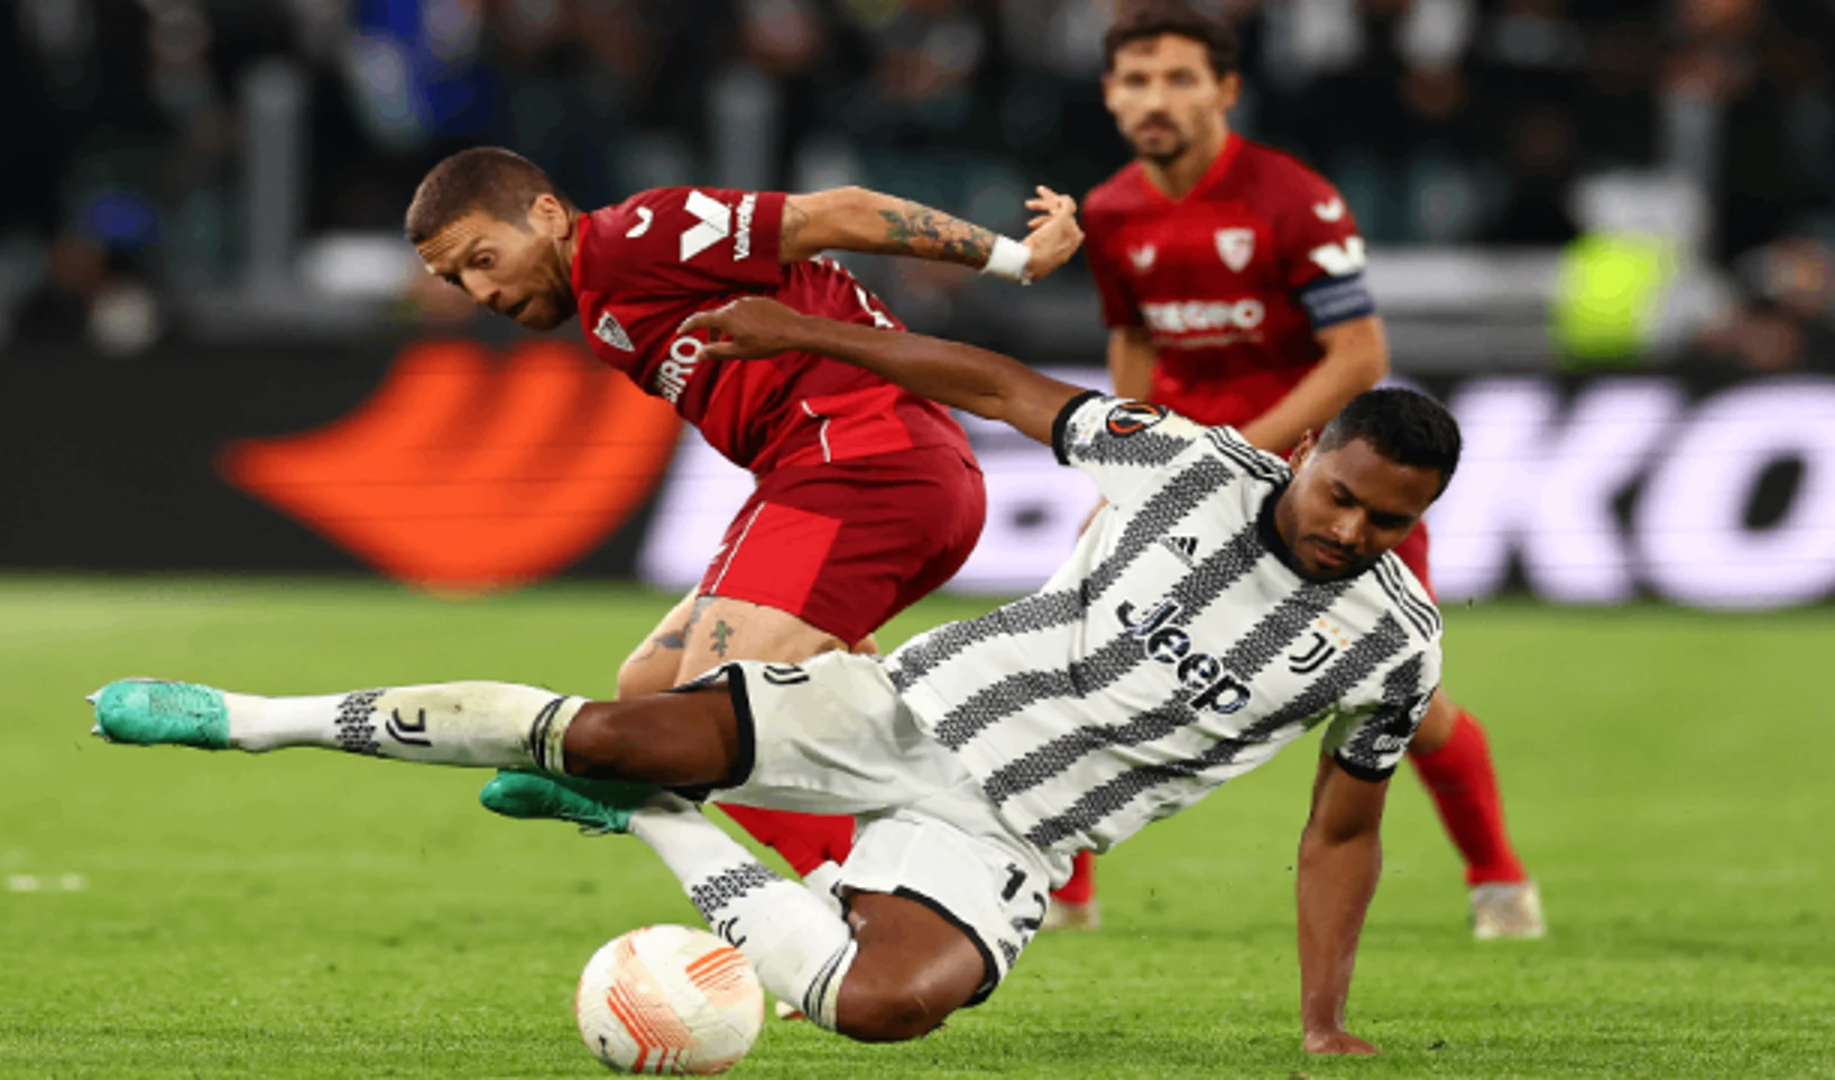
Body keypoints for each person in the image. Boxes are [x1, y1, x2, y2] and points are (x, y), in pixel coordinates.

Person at [90, 295, 1461, 1056]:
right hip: (903, 710)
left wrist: (1324, 1024)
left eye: (1386, 521)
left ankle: (654, 823)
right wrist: (828, 341)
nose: (1351, 531)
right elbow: (998, 386)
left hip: (1014, 838)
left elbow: (1341, 833)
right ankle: (247, 721)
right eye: (1340, 494)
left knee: (883, 1010)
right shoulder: (1191, 464)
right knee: (612, 728)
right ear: (1307, 456)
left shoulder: (1394, 647)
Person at [403, 147, 1084, 899]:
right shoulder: (602, 304)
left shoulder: (637, 236)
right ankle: (1019, 818)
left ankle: (861, 907)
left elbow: (842, 211)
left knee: (707, 715)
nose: (481, 291)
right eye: (456, 279)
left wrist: (1017, 259)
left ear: (547, 214)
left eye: (484, 260)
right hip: (852, 476)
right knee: (649, 688)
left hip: (863, 463)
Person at [1065, 0, 1540, 937]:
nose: (1156, 98)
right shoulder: (1112, 211)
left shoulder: (1293, 200)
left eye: (1179, 78)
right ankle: (1065, 894)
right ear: (1111, 95)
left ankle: (1497, 875)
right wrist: (1126, 467)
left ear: (1225, 90)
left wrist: (1245, 455)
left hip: (1321, 486)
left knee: (1404, 703)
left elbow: (1359, 357)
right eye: (1136, 80)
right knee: (1092, 660)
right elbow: (1134, 337)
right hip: (1193, 482)